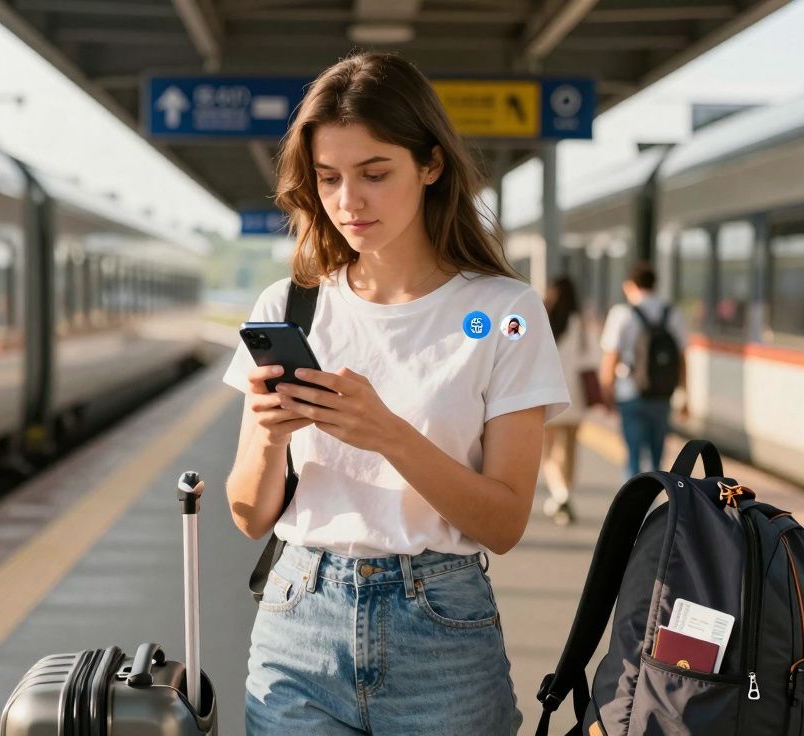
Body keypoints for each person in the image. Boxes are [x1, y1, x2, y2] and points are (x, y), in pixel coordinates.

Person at [222, 53, 570, 735]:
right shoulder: (289, 302)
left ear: (431, 165)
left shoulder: (508, 310)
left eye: (375, 173)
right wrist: (269, 435)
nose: (349, 200)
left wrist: (386, 434)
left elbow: (503, 524)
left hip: (442, 627)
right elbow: (247, 514)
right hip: (299, 620)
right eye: (329, 178)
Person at [599, 262, 688, 478]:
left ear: (629, 286)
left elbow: (611, 356)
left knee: (633, 457)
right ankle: (658, 505)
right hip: (662, 394)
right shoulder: (672, 313)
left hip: (630, 392)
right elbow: (682, 359)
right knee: (657, 459)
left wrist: (606, 392)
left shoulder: (621, 314)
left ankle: (635, 508)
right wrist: (685, 395)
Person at [541, 276, 595, 526]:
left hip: (546, 395)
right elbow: (588, 360)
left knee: (548, 450)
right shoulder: (579, 324)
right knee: (570, 447)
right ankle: (565, 494)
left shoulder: (543, 319)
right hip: (575, 398)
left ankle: (558, 494)